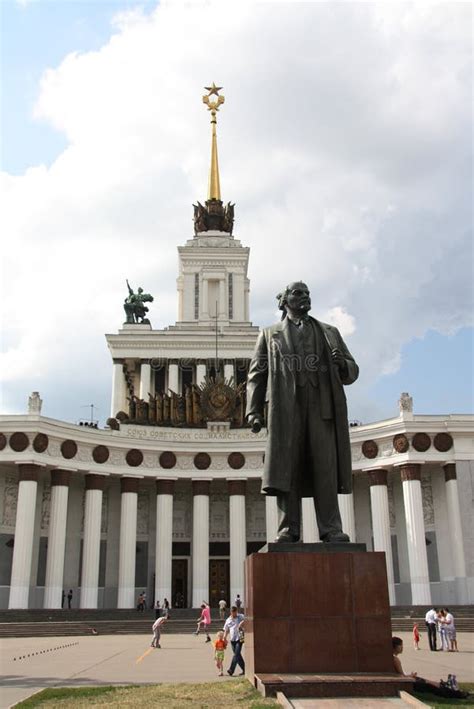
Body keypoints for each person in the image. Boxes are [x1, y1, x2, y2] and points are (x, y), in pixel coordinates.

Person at [246, 282, 359, 542]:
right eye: (298, 293)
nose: (305, 297)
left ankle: (331, 528)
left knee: (326, 468)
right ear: (284, 300)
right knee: (289, 467)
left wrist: (344, 364)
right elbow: (256, 374)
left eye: (308, 293)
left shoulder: (329, 332)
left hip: (323, 409)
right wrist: (253, 411)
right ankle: (289, 528)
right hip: (287, 411)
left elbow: (352, 371)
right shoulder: (269, 334)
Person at [392, 636, 469, 699]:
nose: (402, 647)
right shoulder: (395, 659)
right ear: (395, 647)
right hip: (408, 683)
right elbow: (402, 676)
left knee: (430, 683)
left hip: (408, 681)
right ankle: (458, 693)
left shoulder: (392, 658)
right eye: (401, 645)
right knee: (431, 686)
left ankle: (450, 688)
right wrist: (411, 676)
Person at [224, 605, 245, 676]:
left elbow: (248, 618)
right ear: (231, 612)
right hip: (232, 639)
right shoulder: (228, 620)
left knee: (236, 654)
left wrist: (242, 623)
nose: (234, 614)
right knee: (238, 655)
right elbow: (226, 630)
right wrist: (224, 637)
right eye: (233, 613)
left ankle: (231, 670)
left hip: (240, 638)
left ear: (237, 611)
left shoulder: (241, 616)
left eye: (235, 612)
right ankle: (245, 669)